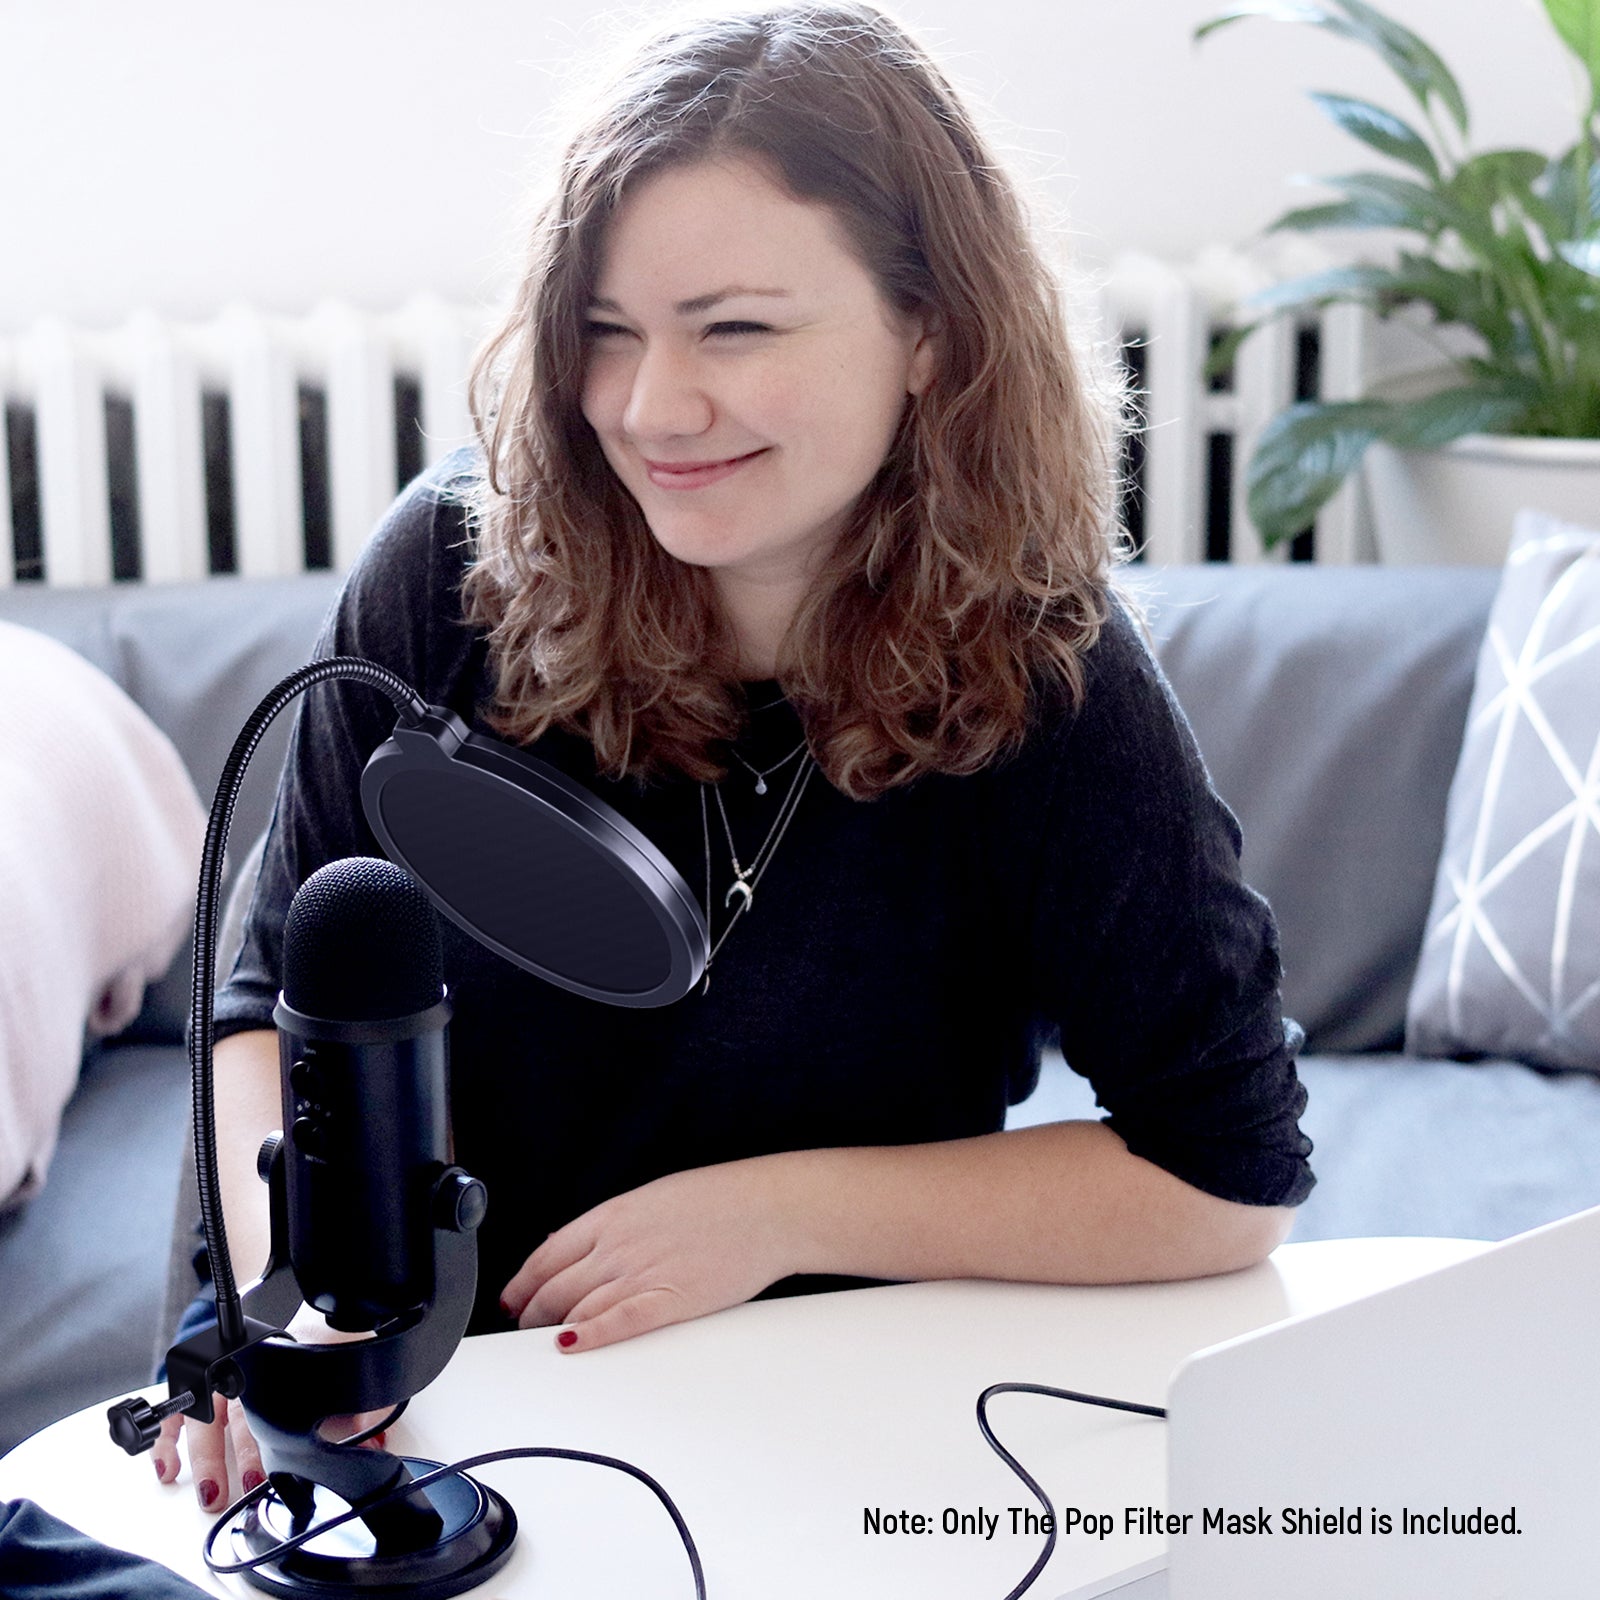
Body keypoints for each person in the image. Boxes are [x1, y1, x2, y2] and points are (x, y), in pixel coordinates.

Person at [154, 0, 1313, 1506]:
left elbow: (1226, 1177)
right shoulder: (446, 581)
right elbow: (265, 1015)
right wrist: (287, 1310)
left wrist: (775, 1216)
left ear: (930, 333)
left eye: (736, 329)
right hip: (442, 1418)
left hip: (822, 1431)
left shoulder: (1049, 680)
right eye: (607, 331)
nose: (650, 407)